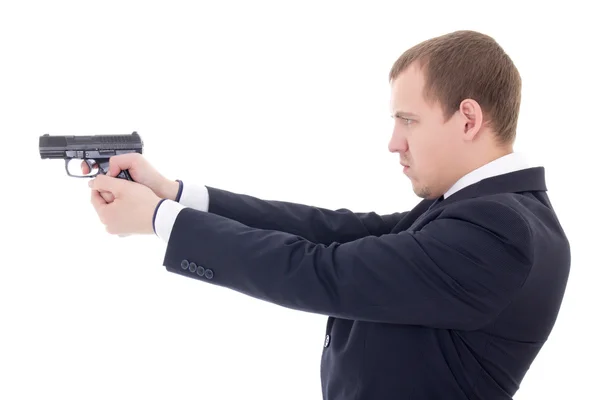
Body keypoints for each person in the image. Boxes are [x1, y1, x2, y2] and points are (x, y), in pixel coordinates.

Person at [84, 30, 571, 399]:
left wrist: (159, 221)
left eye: (408, 120)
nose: (394, 142)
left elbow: (324, 271)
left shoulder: (498, 232)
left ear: (468, 119)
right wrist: (174, 194)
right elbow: (333, 232)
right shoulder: (480, 210)